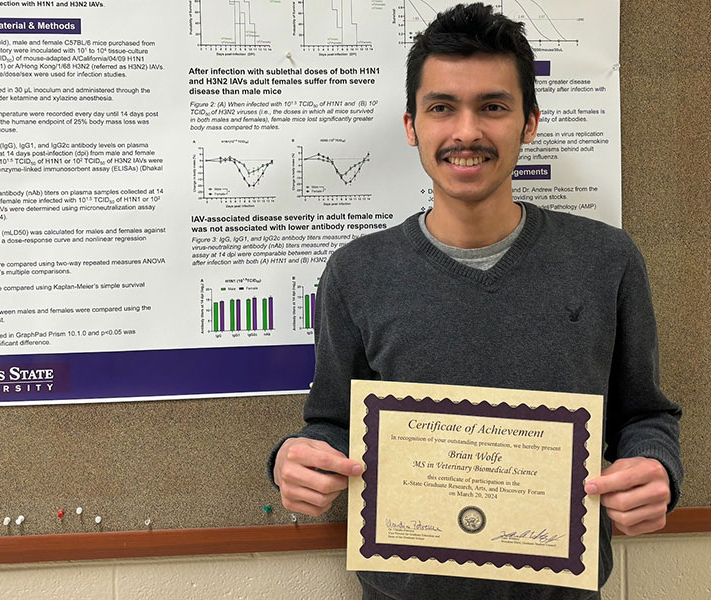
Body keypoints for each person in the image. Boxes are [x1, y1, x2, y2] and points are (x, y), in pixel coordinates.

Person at [267, 3, 683, 599]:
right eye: (442, 108)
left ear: (529, 122)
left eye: (493, 106)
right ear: (412, 125)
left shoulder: (606, 261)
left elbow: (645, 414)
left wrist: (657, 467)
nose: (467, 131)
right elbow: (333, 421)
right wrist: (297, 459)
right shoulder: (357, 272)